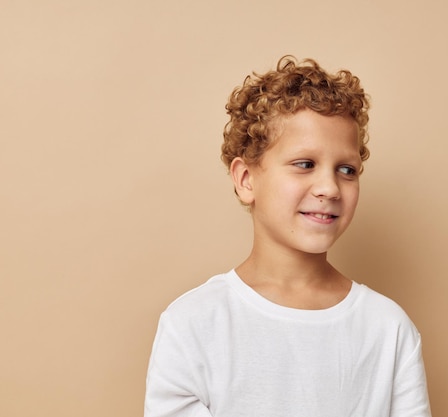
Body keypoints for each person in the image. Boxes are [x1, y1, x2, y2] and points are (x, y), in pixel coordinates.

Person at [144, 56, 432, 417]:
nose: (329, 187)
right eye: (305, 164)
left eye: (347, 170)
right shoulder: (194, 324)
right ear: (247, 179)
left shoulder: (388, 329)